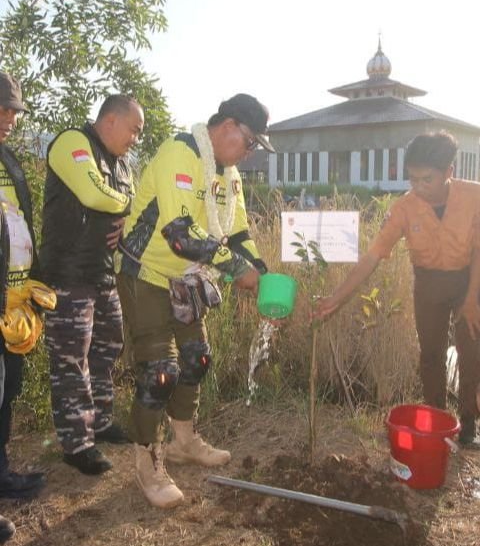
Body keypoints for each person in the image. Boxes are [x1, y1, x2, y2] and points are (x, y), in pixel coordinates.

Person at [116, 93, 275, 508]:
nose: (251, 151)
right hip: (145, 272)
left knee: (197, 358)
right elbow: (180, 233)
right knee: (160, 372)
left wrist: (260, 266)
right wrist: (236, 270)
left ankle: (183, 442)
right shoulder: (180, 153)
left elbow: (237, 232)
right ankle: (148, 461)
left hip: (185, 277)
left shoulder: (230, 173)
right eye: (251, 142)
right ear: (227, 129)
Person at [314, 131, 480, 448]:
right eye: (413, 179)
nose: (418, 186)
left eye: (426, 179)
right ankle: (437, 424)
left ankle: (469, 428)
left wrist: (472, 299)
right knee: (431, 356)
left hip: (469, 281)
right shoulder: (404, 207)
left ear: (449, 172)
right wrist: (336, 299)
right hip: (428, 284)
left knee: (472, 355)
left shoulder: (474, 196)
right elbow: (373, 256)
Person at [40, 95, 143, 474]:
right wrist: (122, 204)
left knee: (108, 345)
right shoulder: (72, 142)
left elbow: (125, 200)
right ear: (111, 120)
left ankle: (99, 421)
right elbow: (92, 194)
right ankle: (76, 443)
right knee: (71, 358)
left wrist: (121, 207)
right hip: (67, 273)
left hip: (100, 272)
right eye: (134, 130)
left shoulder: (121, 163)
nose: (135, 139)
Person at [0, 71, 46, 516]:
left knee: (7, 388)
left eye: (14, 110)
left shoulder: (8, 160)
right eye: (4, 108)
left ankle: (2, 473)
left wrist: (31, 281)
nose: (11, 117)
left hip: (13, 303)